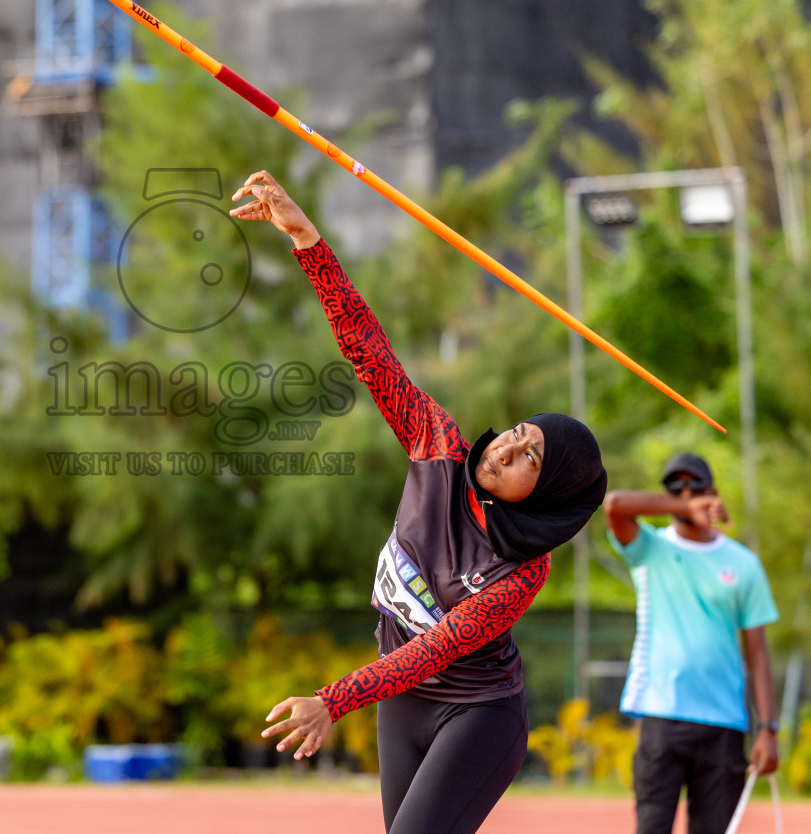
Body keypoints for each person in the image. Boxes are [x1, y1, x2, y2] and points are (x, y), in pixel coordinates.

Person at [229, 169, 609, 834]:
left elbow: (434, 650)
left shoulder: (524, 571)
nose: (504, 452)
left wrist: (332, 699)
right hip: (402, 705)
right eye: (514, 436)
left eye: (529, 460)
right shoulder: (436, 445)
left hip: (479, 715)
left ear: (546, 493)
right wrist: (307, 240)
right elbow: (369, 354)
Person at [604, 452, 780, 834]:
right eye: (675, 487)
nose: (685, 492)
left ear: (713, 492)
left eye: (694, 485)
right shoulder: (649, 548)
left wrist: (768, 728)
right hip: (662, 713)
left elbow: (758, 652)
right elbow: (614, 504)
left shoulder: (744, 563)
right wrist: (683, 505)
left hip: (724, 723)